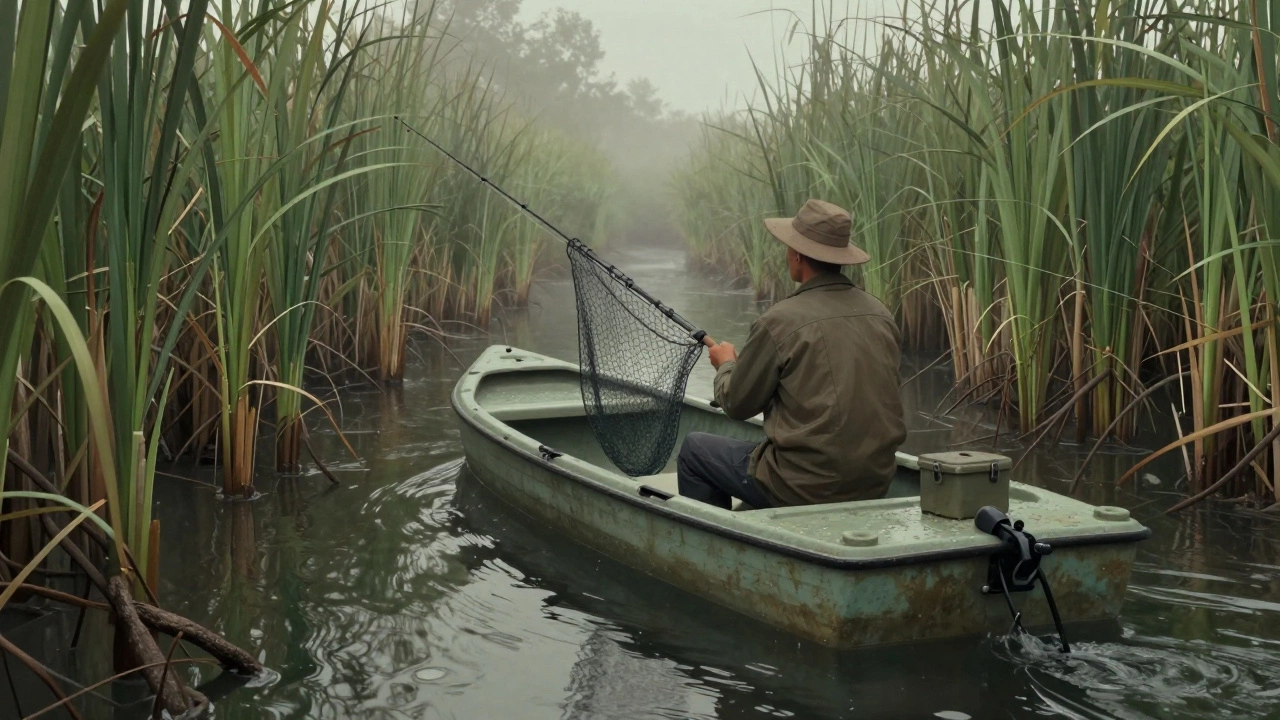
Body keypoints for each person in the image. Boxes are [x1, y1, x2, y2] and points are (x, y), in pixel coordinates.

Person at [676, 199, 907, 510]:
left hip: (803, 487)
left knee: (694, 450)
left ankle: (717, 544)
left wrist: (726, 363)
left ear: (797, 255)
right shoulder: (881, 315)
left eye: (788, 248)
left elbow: (737, 405)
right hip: (874, 482)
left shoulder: (779, 321)